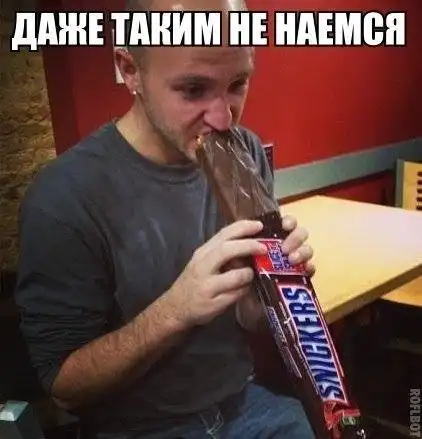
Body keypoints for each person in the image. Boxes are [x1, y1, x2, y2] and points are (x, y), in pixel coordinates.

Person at [14, 0, 317, 438]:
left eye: (237, 84)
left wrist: (265, 300)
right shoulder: (63, 196)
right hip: (139, 428)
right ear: (130, 70)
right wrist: (177, 310)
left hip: (244, 403)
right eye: (193, 89)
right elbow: (64, 387)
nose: (223, 118)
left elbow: (247, 319)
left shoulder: (246, 152)